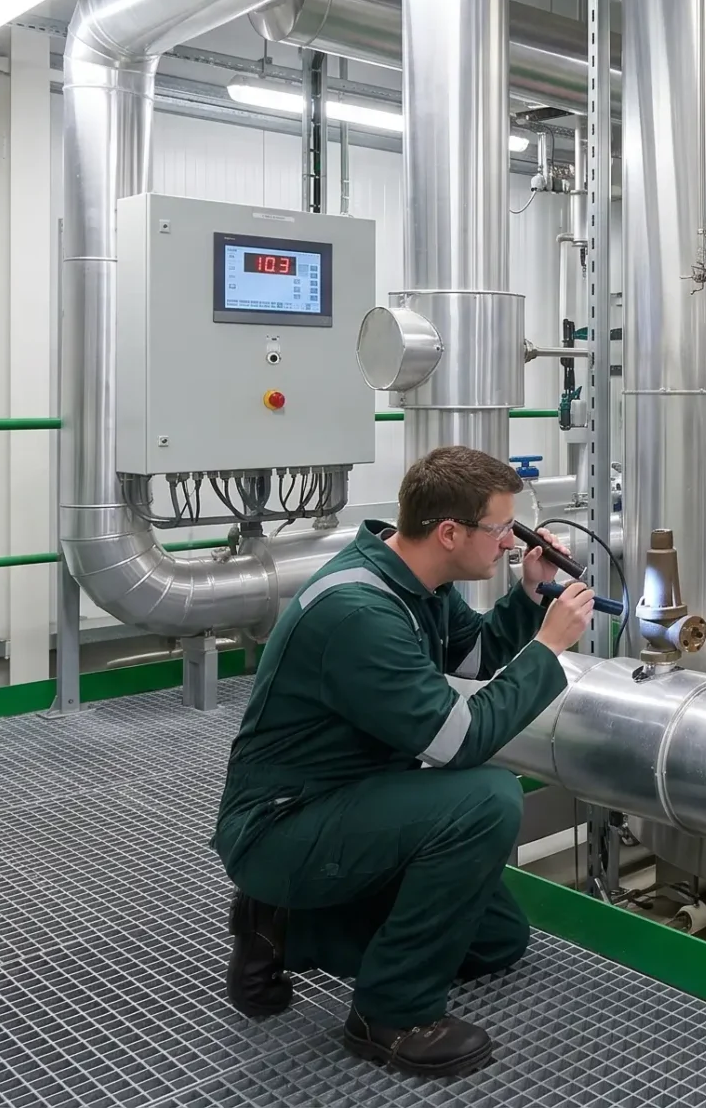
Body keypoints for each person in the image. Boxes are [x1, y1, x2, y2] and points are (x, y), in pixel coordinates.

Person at [210, 444, 594, 1078]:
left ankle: (285, 925)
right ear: (449, 532)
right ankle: (391, 1014)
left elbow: (469, 661)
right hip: (283, 825)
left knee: (498, 940)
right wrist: (549, 648)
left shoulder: (415, 580)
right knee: (487, 799)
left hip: (352, 802)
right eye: (501, 530)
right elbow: (458, 740)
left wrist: (528, 595)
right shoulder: (358, 613)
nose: (507, 544)